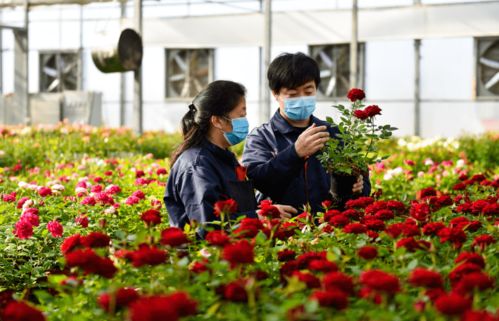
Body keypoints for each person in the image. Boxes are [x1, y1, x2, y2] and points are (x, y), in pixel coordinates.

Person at [242, 52, 371, 214]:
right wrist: (295, 153)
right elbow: (257, 181)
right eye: (293, 94)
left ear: (316, 88)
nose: (302, 98)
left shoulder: (333, 132)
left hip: (330, 230)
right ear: (275, 93)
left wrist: (359, 188)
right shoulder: (262, 137)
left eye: (308, 91)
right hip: (283, 228)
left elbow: (362, 180)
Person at [164, 80, 295, 237]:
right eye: (241, 115)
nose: (245, 121)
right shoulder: (197, 165)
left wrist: (267, 212)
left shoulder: (225, 158)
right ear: (217, 120)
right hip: (207, 258)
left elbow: (240, 209)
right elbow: (206, 226)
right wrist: (257, 217)